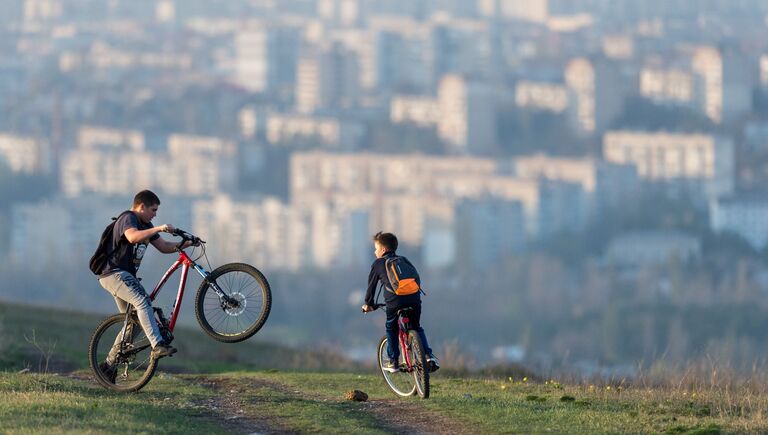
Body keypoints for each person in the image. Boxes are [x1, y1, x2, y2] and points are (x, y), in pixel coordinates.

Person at [96, 190, 194, 381]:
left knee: (135, 324)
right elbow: (132, 237)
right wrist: (158, 228)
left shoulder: (146, 225)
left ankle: (108, 366)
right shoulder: (128, 218)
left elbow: (164, 247)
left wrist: (187, 244)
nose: (155, 214)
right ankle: (158, 345)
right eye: (153, 210)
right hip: (114, 273)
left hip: (125, 276)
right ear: (141, 206)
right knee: (143, 302)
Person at [362, 231, 439, 373]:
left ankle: (393, 361)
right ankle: (428, 356)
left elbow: (371, 286)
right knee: (415, 327)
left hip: (394, 301)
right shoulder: (403, 260)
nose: (374, 252)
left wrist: (368, 304)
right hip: (414, 298)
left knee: (391, 326)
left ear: (383, 250)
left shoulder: (378, 263)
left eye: (376, 248)